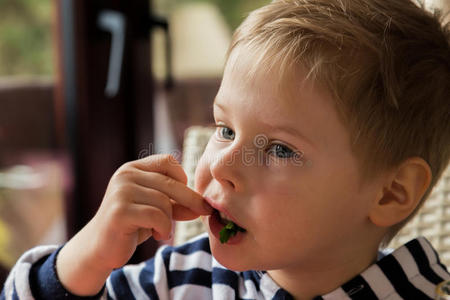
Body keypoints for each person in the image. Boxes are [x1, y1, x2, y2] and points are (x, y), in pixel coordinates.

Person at [3, 0, 450, 299]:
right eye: (225, 129)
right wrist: (88, 258)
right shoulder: (177, 280)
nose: (220, 165)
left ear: (391, 193)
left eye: (279, 150)